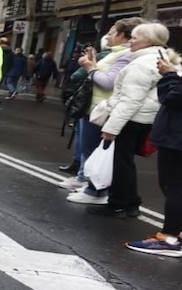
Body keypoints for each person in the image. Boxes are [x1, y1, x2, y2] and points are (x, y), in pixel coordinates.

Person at [90, 24, 170, 219]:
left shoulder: (142, 64)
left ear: (149, 41)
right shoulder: (161, 58)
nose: (130, 40)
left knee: (121, 162)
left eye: (135, 37)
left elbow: (130, 99)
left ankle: (120, 204)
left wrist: (112, 128)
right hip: (144, 117)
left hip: (132, 118)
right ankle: (129, 202)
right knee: (125, 161)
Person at [61, 18, 141, 196]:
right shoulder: (116, 53)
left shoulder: (124, 55)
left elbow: (107, 82)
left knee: (94, 151)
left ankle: (95, 191)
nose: (108, 36)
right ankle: (93, 187)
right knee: (91, 150)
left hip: (101, 108)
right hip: (96, 107)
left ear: (122, 35)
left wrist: (90, 67)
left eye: (112, 33)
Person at [126, 49, 182, 256]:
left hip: (177, 138)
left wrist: (169, 74)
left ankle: (170, 239)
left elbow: (173, 97)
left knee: (174, 186)